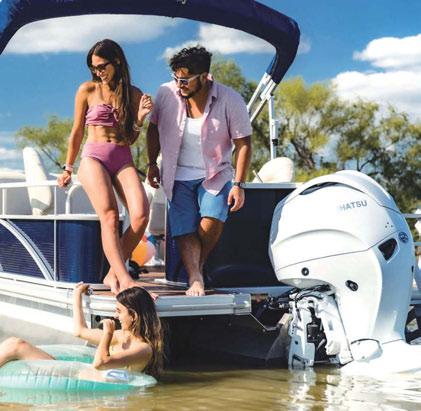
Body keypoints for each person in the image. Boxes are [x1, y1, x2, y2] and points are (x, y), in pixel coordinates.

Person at [146, 46, 252, 297]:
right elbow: (153, 129)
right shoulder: (166, 93)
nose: (179, 84)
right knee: (184, 230)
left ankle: (197, 265)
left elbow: (244, 144)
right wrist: (151, 163)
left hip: (215, 174)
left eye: (185, 80)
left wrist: (239, 184)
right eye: (176, 78)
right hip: (176, 174)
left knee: (211, 220)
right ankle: (195, 276)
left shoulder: (230, 99)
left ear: (204, 77)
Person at [57, 39, 153, 294]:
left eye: (102, 66)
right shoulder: (87, 90)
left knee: (141, 215)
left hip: (122, 157)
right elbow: (77, 131)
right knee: (109, 215)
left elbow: (129, 138)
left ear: (117, 62)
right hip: (94, 158)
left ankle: (112, 273)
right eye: (94, 68)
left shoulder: (133, 94)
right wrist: (68, 167)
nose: (98, 72)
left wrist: (139, 119)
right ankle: (124, 278)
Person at [0, 283, 164, 379]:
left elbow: (100, 364)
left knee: (16, 345)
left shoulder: (143, 349)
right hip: (74, 373)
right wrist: (77, 295)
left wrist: (107, 334)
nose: (116, 316)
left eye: (119, 311)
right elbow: (79, 331)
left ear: (133, 315)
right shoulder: (122, 336)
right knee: (15, 344)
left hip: (74, 379)